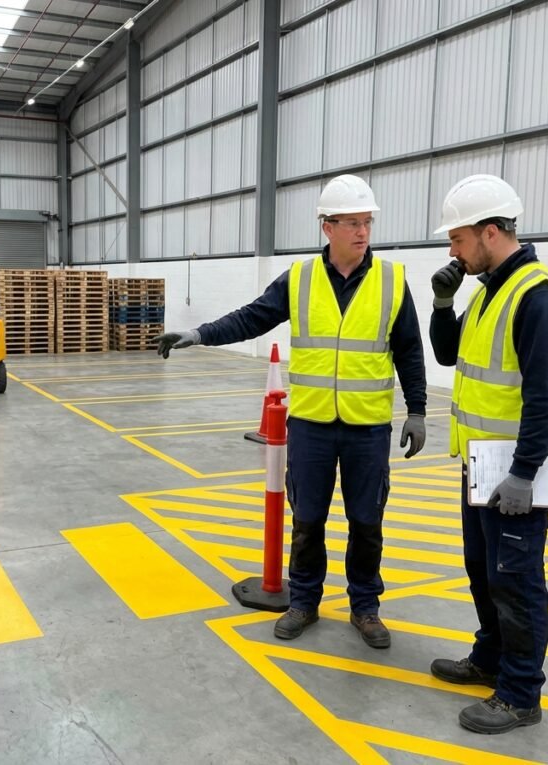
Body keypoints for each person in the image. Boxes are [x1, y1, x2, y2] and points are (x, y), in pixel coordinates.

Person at [154, 174, 427, 649]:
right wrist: (198, 335)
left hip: (367, 428)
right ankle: (304, 601)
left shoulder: (392, 280)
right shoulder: (299, 279)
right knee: (308, 521)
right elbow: (251, 317)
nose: (362, 232)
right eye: (352, 223)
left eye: (367, 222)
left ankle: (365, 608)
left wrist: (418, 409)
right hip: (312, 426)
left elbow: (409, 350)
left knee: (367, 523)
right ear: (327, 227)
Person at [427, 174, 548, 735]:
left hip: (519, 472)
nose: (452, 250)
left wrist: (522, 474)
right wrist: (443, 304)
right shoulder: (489, 290)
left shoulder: (539, 299)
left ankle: (519, 695)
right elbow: (448, 356)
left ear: (490, 232)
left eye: (459, 239)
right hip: (480, 466)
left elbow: (546, 397)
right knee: (483, 571)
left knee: (516, 580)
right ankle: (489, 658)